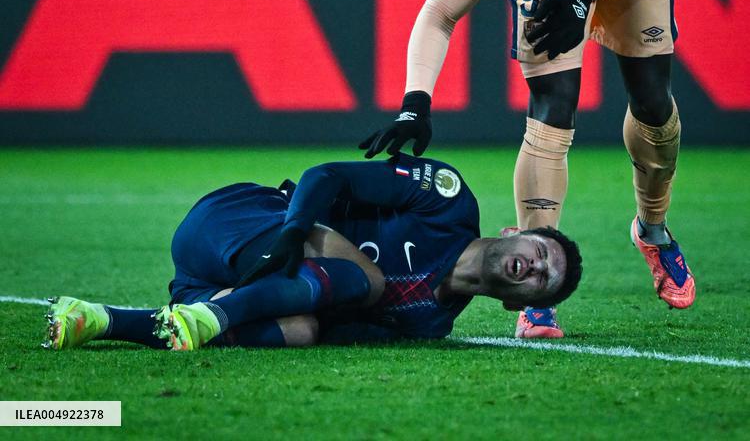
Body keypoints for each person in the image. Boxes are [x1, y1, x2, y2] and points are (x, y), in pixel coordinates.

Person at [360, 0, 695, 339]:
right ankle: (537, 284)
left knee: (653, 100)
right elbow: (438, 13)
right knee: (553, 104)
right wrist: (414, 102)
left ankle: (652, 228)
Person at [43, 153, 581, 351]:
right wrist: (292, 232)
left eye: (541, 279)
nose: (533, 265)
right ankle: (213, 313)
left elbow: (327, 328)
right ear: (514, 229)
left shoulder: (430, 325)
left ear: (520, 304)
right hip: (241, 223)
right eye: (538, 250)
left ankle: (103, 320)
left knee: (303, 331)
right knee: (364, 280)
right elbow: (324, 175)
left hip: (222, 286)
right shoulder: (447, 200)